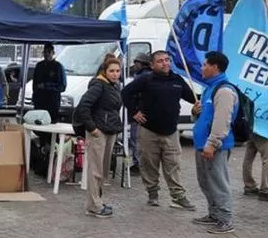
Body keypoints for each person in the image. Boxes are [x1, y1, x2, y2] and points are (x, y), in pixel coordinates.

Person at [121, 50, 196, 210]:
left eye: (167, 60)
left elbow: (192, 97)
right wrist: (134, 112)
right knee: (149, 164)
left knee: (173, 164)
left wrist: (200, 101)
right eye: (160, 61)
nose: (165, 63)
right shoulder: (146, 79)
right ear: (152, 64)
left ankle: (178, 196)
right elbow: (125, 93)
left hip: (171, 131)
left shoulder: (177, 80)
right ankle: (152, 193)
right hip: (149, 130)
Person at [191, 51, 239, 234]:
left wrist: (212, 143)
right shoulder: (210, 88)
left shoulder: (224, 91)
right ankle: (214, 214)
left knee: (218, 182)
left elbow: (222, 121)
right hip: (202, 144)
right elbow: (205, 117)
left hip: (214, 147)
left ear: (215, 67)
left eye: (205, 64)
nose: (202, 68)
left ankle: (225, 219)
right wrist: (196, 112)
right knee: (206, 181)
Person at [74, 58, 123, 218]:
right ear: (104, 71)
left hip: (110, 130)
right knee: (95, 170)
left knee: (103, 169)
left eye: (117, 71)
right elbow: (83, 106)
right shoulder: (99, 85)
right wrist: (92, 128)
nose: (115, 74)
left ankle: (96, 201)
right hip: (99, 132)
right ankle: (94, 205)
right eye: (111, 71)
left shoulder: (114, 86)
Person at [127, 53, 152, 174]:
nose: (134, 65)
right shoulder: (147, 75)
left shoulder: (142, 77)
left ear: (141, 63)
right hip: (144, 112)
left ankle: (138, 165)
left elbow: (132, 93)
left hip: (139, 112)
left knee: (136, 139)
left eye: (136, 62)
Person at [242, 133, 268, 203]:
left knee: (249, 157)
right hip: (265, 132)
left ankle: (249, 186)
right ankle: (265, 190)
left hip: (252, 129)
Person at [32, 43, 66, 123]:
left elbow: (62, 86)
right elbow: (34, 84)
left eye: (49, 52)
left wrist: (46, 85)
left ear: (53, 53)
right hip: (39, 102)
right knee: (38, 124)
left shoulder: (58, 66)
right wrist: (35, 97)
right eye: (45, 52)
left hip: (52, 103)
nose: (47, 54)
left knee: (51, 125)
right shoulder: (39, 66)